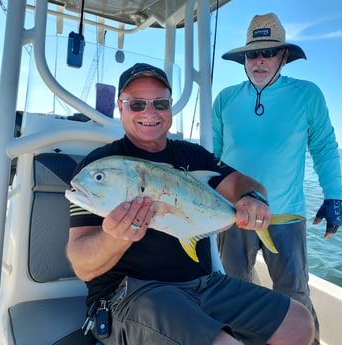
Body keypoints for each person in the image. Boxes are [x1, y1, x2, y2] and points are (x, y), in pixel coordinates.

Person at [67, 62, 314, 345]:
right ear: (120, 107)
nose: (150, 113)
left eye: (160, 103)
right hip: (132, 295)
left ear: (170, 108)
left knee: (298, 323)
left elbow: (244, 184)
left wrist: (252, 199)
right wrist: (114, 237)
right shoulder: (98, 167)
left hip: (204, 285)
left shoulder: (193, 156)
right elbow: (83, 265)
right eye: (137, 104)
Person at [213, 13, 342, 345]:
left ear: (283, 56)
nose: (259, 61)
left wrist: (334, 196)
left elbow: (325, 147)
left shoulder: (307, 95)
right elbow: (214, 159)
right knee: (236, 287)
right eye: (252, 53)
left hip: (285, 214)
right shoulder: (224, 99)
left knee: (293, 292)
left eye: (268, 52)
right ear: (244, 58)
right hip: (233, 214)